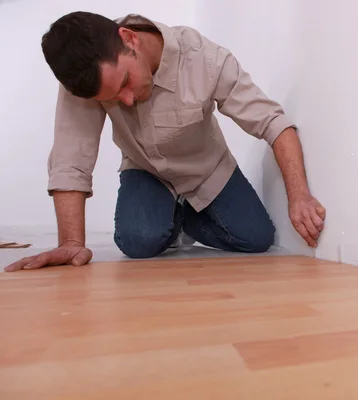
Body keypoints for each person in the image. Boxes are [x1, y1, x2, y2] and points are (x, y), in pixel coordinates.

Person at [4, 12, 325, 272]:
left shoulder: (205, 59)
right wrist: (71, 243)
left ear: (129, 39)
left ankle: (181, 217)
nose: (126, 100)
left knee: (257, 238)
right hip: (145, 169)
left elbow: (272, 122)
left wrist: (299, 196)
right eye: (113, 99)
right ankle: (164, 218)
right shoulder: (87, 77)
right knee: (137, 242)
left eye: (126, 82)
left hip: (208, 169)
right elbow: (71, 156)